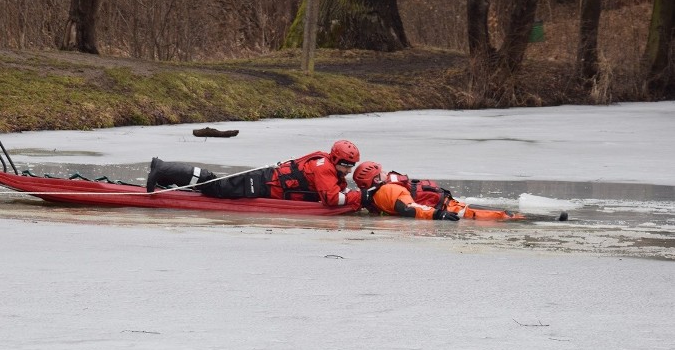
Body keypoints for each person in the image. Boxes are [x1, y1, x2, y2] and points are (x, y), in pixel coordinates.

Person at [146, 140, 366, 210]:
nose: (349, 170)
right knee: (217, 186)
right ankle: (162, 169)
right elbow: (331, 198)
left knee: (218, 186)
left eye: (351, 166)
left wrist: (352, 194)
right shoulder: (324, 168)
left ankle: (165, 177)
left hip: (267, 181)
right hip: (264, 184)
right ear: (336, 160)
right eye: (347, 166)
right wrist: (361, 198)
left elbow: (338, 190)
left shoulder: (325, 162)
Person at [354, 161, 521, 221]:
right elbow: (410, 208)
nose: (386, 173)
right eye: (381, 172)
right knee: (502, 215)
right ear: (376, 179)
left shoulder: (378, 194)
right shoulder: (390, 190)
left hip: (445, 206)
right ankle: (518, 218)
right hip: (448, 209)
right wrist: (437, 214)